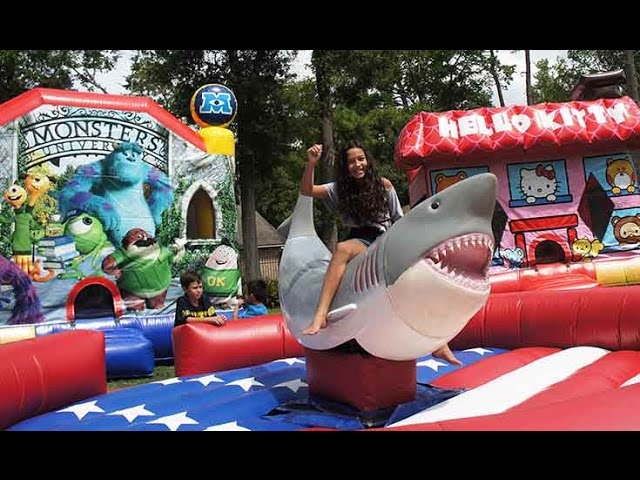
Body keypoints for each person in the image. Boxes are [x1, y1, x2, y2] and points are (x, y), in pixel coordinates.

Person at [300, 141, 461, 366]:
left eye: (360, 159)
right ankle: (321, 314)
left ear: (368, 160)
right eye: (351, 161)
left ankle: (439, 344)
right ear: (345, 167)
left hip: (385, 237)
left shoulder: (383, 185)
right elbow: (307, 191)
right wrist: (311, 164)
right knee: (342, 249)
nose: (357, 165)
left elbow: (398, 219)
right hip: (360, 239)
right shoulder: (340, 189)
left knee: (413, 280)